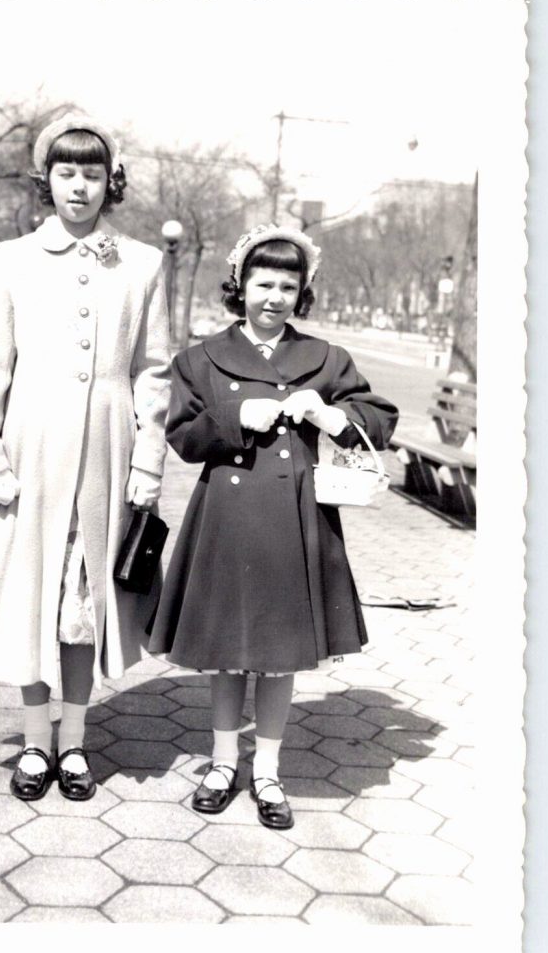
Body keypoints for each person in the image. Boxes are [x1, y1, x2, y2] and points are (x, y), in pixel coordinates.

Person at [0, 113, 171, 803]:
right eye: (66, 173)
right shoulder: (11, 258)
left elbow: (152, 369)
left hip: (107, 450)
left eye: (93, 174)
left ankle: (74, 743)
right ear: (46, 180)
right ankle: (35, 745)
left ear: (112, 182)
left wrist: (147, 462)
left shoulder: (142, 264)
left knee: (84, 598)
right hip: (30, 446)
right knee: (33, 595)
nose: (79, 187)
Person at [149, 224, 398, 830]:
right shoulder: (200, 358)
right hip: (229, 516)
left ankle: (268, 770)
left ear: (301, 292)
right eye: (264, 283)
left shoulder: (326, 358)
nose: (275, 297)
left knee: (280, 654)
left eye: (289, 286)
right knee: (228, 651)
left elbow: (379, 418)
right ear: (240, 285)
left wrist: (330, 414)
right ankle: (221, 761)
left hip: (296, 517)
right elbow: (183, 436)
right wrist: (236, 415)